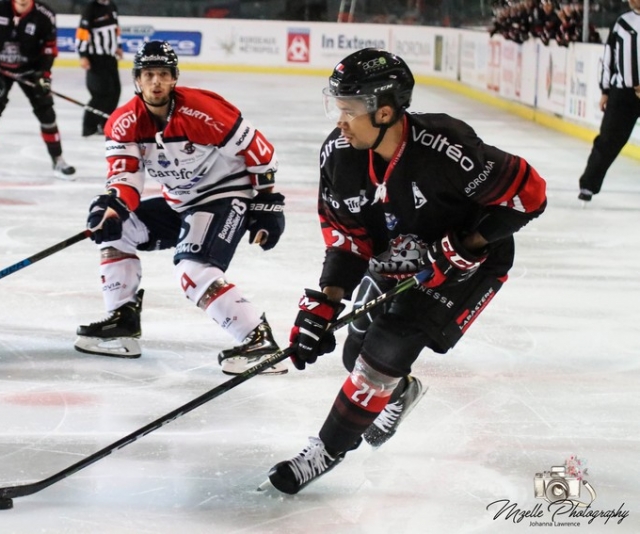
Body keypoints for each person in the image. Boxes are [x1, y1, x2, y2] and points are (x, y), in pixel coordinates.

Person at [266, 48, 548, 494]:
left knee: (389, 346)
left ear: (384, 110)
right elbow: (348, 237)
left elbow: (529, 196)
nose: (340, 121)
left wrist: (469, 244)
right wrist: (326, 301)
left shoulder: (448, 148)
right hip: (398, 255)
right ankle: (399, 393)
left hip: (466, 267)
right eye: (337, 109)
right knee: (355, 357)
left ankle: (326, 450)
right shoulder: (339, 154)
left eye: (349, 111)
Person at [74, 41, 288, 376]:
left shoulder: (204, 111)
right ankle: (123, 322)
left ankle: (258, 340)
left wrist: (268, 202)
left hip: (224, 194)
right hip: (180, 201)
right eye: (148, 75)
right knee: (115, 231)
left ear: (174, 78)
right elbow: (126, 178)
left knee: (193, 270)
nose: (156, 82)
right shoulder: (123, 122)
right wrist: (113, 206)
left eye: (163, 74)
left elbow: (260, 151)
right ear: (137, 80)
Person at [0, 0, 75, 179]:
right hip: (0, 68)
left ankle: (58, 160)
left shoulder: (45, 15)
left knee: (46, 114)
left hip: (31, 70)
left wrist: (44, 76)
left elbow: (49, 49)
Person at [577, 0, 640, 202]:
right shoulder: (622, 22)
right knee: (608, 141)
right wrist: (605, 90)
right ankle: (588, 185)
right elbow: (608, 57)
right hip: (622, 94)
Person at [75, 0, 123, 137]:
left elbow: (116, 29)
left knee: (115, 92)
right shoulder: (90, 9)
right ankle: (88, 127)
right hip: (95, 58)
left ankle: (105, 124)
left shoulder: (112, 6)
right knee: (100, 94)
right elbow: (82, 33)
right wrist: (83, 55)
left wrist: (118, 46)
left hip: (110, 57)